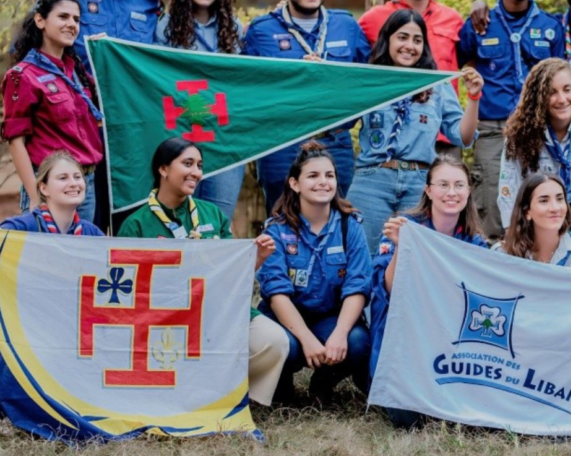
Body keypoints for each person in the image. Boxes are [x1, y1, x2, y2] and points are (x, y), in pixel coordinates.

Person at [116, 137, 287, 407]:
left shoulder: (212, 215)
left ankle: (237, 399)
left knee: (273, 340)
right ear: (163, 169)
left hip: (217, 309)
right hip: (164, 319)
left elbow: (231, 276)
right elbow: (128, 291)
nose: (196, 172)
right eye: (187, 164)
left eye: (199, 165)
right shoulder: (135, 224)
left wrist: (257, 258)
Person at [242, 0, 371, 212]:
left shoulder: (346, 25)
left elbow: (365, 82)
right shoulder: (261, 31)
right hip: (283, 143)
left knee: (336, 221)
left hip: (335, 143)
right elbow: (249, 91)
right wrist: (296, 76)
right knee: (282, 220)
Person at [347, 10, 482, 251]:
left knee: (416, 257)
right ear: (387, 39)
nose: (409, 46)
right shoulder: (368, 80)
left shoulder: (436, 84)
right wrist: (318, 75)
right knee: (365, 257)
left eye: (417, 40)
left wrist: (473, 97)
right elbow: (337, 119)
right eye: (402, 37)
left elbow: (463, 137)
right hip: (372, 182)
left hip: (419, 186)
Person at [368, 155, 487, 428]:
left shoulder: (475, 242)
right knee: (407, 417)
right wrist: (402, 247)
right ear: (428, 190)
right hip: (404, 339)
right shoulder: (403, 228)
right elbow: (387, 290)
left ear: (469, 191)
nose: (451, 192)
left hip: (449, 342)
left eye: (459, 185)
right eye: (443, 184)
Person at [457, 0, 566, 239]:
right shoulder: (479, 24)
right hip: (493, 131)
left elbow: (559, 79)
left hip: (539, 130)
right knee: (492, 207)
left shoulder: (550, 26)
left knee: (542, 202)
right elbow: (459, 64)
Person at [256, 141, 372, 402]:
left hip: (328, 316)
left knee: (357, 342)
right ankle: (280, 383)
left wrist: (339, 334)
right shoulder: (276, 230)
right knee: (286, 346)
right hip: (284, 318)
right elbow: (276, 292)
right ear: (295, 184)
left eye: (329, 175)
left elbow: (357, 286)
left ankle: (325, 379)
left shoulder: (350, 226)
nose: (323, 182)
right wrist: (306, 339)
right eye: (313, 176)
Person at [359, 0, 466, 159]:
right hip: (394, 143)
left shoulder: (453, 20)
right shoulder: (372, 20)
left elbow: (472, 65)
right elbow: (353, 72)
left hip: (445, 143)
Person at [156, 0, 245, 220]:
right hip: (182, 135)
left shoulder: (234, 28)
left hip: (225, 138)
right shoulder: (166, 27)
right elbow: (159, 78)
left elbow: (240, 81)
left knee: (219, 217)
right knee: (180, 217)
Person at [2, 0, 104, 223]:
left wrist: (106, 53)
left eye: (76, 19)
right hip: (49, 186)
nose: (72, 24)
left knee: (81, 246)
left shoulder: (76, 72)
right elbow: (16, 142)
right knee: (50, 247)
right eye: (63, 17)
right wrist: (35, 196)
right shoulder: (22, 76)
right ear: (40, 21)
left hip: (84, 184)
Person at [498, 58, 571, 234]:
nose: (562, 99)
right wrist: (512, 234)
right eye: (551, 92)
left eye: (567, 89)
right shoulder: (520, 133)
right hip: (534, 225)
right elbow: (509, 187)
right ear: (539, 97)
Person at [492, 173, 571, 269]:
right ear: (526, 212)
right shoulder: (501, 253)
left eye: (560, 199)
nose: (555, 208)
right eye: (544, 201)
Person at [0, 151, 103, 235]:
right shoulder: (20, 228)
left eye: (77, 177)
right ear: (44, 188)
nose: (73, 183)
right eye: (63, 178)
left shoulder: (92, 233)